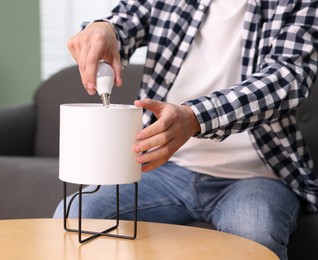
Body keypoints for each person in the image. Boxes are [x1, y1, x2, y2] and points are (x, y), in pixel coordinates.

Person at [54, 1, 318, 259]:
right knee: (77, 213)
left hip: (257, 174)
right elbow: (126, 19)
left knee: (254, 231)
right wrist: (103, 29)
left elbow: (286, 78)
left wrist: (194, 117)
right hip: (166, 169)